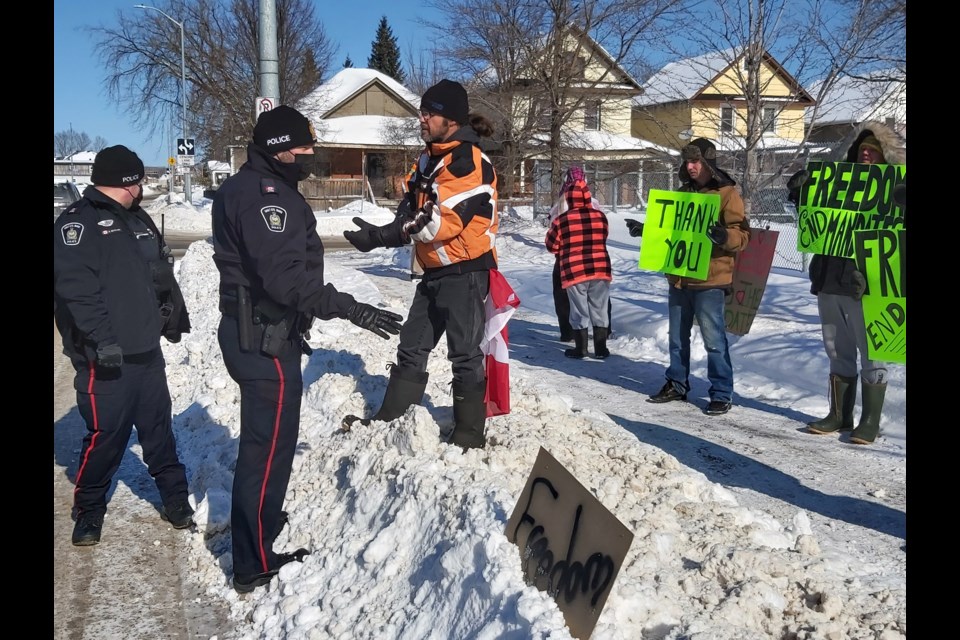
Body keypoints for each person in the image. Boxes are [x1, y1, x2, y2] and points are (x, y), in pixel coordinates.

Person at [211, 105, 403, 593]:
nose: (310, 155)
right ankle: (252, 562)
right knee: (266, 451)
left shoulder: (254, 187)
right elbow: (284, 281)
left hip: (263, 335)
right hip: (263, 341)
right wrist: (350, 308)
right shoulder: (263, 197)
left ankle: (263, 524)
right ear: (278, 148)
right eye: (302, 148)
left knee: (271, 446)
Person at [342, 79, 499, 450]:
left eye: (430, 113)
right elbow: (412, 197)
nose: (422, 118)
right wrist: (399, 214)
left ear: (451, 119)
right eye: (422, 111)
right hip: (435, 272)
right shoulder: (431, 157)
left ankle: (468, 434)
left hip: (466, 272)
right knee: (412, 344)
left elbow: (437, 224)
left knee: (464, 354)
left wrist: (381, 237)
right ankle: (392, 419)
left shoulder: (468, 163)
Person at [54, 145, 194, 546]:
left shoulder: (137, 218)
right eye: (139, 181)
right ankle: (89, 510)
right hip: (105, 358)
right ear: (128, 182)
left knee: (158, 431)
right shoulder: (77, 224)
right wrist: (103, 340)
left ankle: (175, 499)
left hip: (145, 353)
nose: (143, 187)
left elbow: (156, 272)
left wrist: (170, 317)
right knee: (107, 437)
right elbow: (76, 291)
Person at [789, 121, 906, 444]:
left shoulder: (897, 192)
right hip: (829, 278)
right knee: (836, 348)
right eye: (862, 150)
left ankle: (870, 420)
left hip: (870, 285)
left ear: (886, 159)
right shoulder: (837, 187)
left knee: (872, 352)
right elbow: (814, 221)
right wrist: (800, 193)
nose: (867, 155)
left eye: (874, 151)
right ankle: (840, 414)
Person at [646, 138, 751, 415]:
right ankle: (677, 383)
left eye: (696, 162)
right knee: (677, 338)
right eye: (687, 162)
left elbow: (742, 236)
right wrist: (646, 231)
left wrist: (723, 236)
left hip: (710, 279)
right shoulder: (683, 192)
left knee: (713, 340)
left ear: (708, 163)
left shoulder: (727, 194)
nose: (690, 167)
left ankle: (721, 391)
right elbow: (672, 231)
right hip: (679, 277)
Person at [545, 167, 613, 359]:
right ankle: (601, 349)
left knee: (579, 309)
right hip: (600, 267)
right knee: (599, 308)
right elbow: (604, 235)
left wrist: (565, 249)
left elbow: (551, 245)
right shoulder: (600, 216)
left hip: (574, 270)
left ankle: (581, 348)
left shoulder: (562, 220)